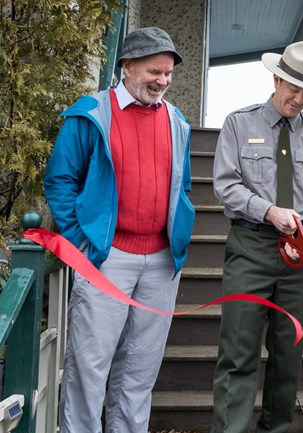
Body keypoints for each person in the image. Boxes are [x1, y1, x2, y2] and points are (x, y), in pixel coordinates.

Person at [43, 27, 194, 433]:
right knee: (89, 366)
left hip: (162, 262)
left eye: (168, 74)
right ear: (126, 67)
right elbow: (60, 181)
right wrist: (80, 242)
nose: (162, 81)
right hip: (106, 258)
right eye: (154, 71)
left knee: (140, 371)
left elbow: (183, 185)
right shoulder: (90, 113)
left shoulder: (177, 121)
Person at [211, 40, 303, 433]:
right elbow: (225, 185)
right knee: (238, 351)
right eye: (293, 88)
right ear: (276, 78)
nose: (299, 98)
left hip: (298, 258)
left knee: (289, 353)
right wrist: (267, 210)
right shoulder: (239, 123)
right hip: (250, 247)